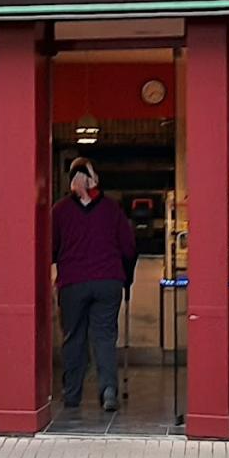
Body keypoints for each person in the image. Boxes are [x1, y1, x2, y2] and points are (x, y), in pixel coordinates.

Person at [51, 157, 136, 415]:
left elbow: (50, 249)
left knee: (74, 337)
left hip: (73, 284)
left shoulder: (60, 210)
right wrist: (126, 277)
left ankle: (72, 394)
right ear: (94, 178)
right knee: (104, 337)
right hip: (108, 282)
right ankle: (108, 390)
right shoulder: (111, 209)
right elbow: (129, 246)